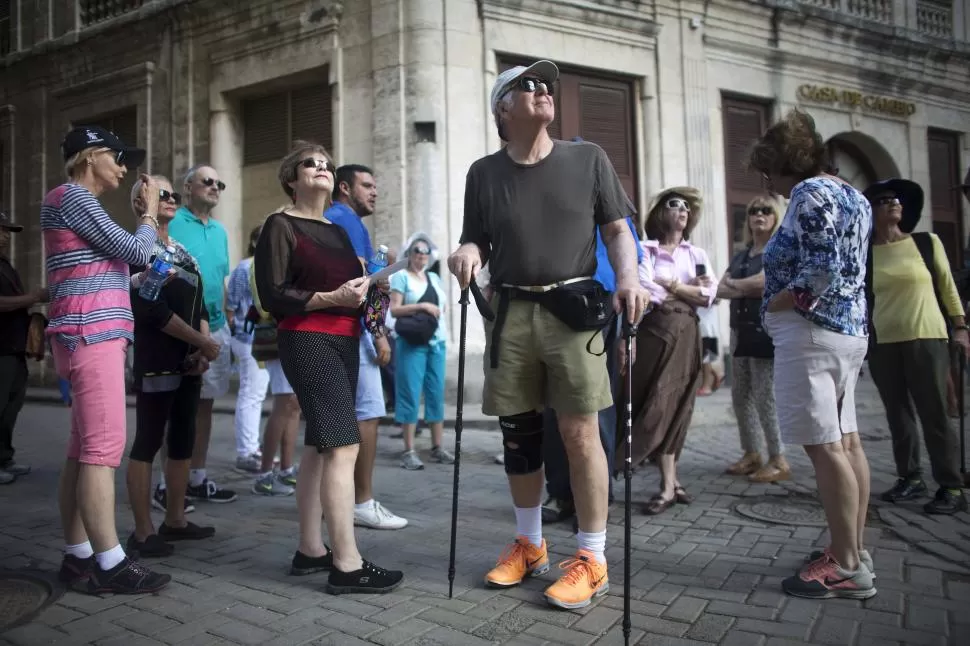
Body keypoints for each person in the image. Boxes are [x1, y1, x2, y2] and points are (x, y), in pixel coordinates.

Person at [448, 60, 647, 609]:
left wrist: (628, 277)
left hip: (573, 311)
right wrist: (468, 251)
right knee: (519, 435)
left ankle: (593, 557)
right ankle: (531, 545)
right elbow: (476, 239)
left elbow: (615, 229)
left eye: (545, 85)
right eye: (525, 86)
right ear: (502, 110)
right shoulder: (482, 173)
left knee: (581, 431)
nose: (540, 91)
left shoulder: (589, 159)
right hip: (509, 312)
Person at [253, 140, 403, 593]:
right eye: (309, 164)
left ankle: (310, 550)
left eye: (325, 163)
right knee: (342, 444)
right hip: (306, 338)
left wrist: (373, 282)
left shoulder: (337, 232)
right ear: (291, 178)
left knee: (321, 445)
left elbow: (349, 290)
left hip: (346, 340)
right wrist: (330, 298)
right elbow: (272, 294)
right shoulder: (279, 224)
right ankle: (348, 564)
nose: (320, 168)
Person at [751, 108, 875, 599]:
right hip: (848, 331)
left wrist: (781, 301)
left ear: (787, 162)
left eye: (768, 169)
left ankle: (845, 567)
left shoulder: (808, 192)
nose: (768, 181)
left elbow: (820, 269)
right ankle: (854, 548)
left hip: (811, 334)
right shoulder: (855, 196)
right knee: (846, 442)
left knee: (825, 447)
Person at [42, 125, 169, 593]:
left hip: (88, 330)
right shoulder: (72, 196)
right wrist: (150, 212)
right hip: (90, 333)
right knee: (103, 447)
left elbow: (113, 269)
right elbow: (137, 250)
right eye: (117, 157)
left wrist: (134, 281)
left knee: (82, 449)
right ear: (89, 156)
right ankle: (110, 562)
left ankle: (77, 557)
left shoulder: (75, 204)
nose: (123, 166)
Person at [125, 175, 219, 556]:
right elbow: (151, 309)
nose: (170, 199)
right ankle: (143, 531)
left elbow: (201, 303)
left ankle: (175, 519)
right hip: (157, 359)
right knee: (148, 439)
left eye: (172, 194)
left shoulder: (182, 250)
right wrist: (202, 342)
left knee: (182, 439)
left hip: (188, 361)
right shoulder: (139, 249)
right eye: (160, 194)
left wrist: (203, 346)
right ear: (139, 203)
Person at [863, 178, 968, 514]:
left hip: (927, 337)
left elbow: (948, 287)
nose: (893, 202)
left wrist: (961, 327)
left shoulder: (925, 242)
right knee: (898, 415)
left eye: (896, 199)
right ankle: (911, 478)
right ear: (872, 212)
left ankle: (951, 486)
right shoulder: (864, 255)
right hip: (884, 343)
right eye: (883, 200)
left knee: (935, 412)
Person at [619, 187, 717, 515]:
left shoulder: (698, 254)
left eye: (687, 207)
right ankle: (665, 479)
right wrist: (687, 291)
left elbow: (710, 295)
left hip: (688, 333)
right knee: (656, 400)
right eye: (675, 205)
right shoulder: (644, 249)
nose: (682, 211)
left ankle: (667, 484)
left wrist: (673, 286)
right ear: (661, 212)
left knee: (678, 404)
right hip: (654, 333)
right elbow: (648, 289)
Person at [327, 164, 406, 529]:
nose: (374, 192)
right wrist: (376, 330)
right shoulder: (344, 220)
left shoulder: (340, 219)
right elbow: (358, 284)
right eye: (367, 185)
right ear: (345, 187)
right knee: (368, 412)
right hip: (354, 331)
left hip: (340, 329)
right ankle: (362, 500)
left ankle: (345, 501)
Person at [167, 163, 236, 504]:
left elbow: (219, 280)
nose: (215, 187)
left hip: (217, 328)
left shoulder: (221, 231)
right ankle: (168, 484)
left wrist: (227, 318)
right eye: (207, 182)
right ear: (188, 187)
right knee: (175, 405)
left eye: (219, 183)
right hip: (179, 327)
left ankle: (197, 477)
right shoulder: (174, 222)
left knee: (205, 405)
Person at [718, 194, 789, 483]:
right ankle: (752, 453)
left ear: (775, 217)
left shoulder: (777, 251)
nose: (759, 215)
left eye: (766, 211)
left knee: (765, 396)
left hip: (765, 331)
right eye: (753, 211)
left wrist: (736, 286)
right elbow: (719, 289)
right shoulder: (742, 254)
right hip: (739, 331)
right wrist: (742, 287)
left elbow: (767, 283)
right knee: (740, 396)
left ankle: (779, 459)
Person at [389, 233, 455, 471]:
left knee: (436, 393)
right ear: (410, 254)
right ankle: (409, 450)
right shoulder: (401, 278)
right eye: (417, 251)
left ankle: (437, 447)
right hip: (412, 343)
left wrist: (435, 308)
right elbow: (394, 311)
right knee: (409, 393)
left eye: (426, 252)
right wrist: (422, 306)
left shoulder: (434, 278)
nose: (422, 255)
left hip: (436, 342)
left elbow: (443, 306)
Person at [0, 210, 45, 484]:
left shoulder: (6, 264)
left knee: (11, 406)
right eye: (3, 230)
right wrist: (32, 298)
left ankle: (5, 457)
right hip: (1, 349)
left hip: (13, 347)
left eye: (8, 231)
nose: (6, 236)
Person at [227, 226, 270, 474]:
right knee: (251, 394)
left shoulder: (269, 267)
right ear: (255, 242)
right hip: (249, 338)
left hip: (263, 339)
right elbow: (231, 306)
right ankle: (246, 452)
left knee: (257, 394)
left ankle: (253, 448)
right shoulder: (246, 268)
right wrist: (238, 331)